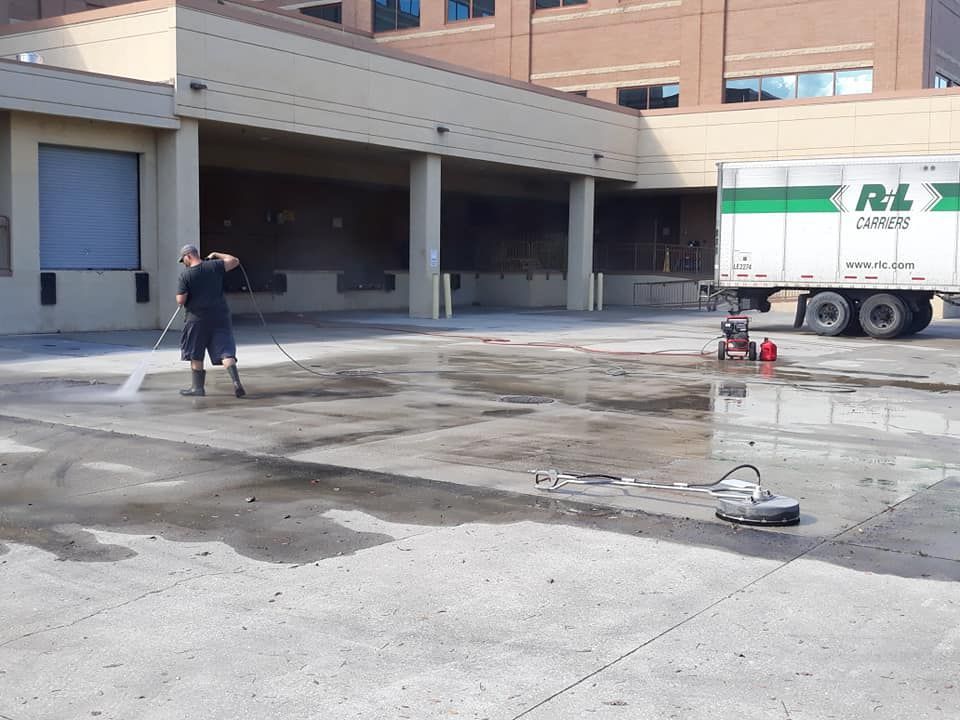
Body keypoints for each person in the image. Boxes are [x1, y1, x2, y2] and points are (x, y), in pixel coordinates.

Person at [175, 244, 246, 398]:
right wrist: (216, 254)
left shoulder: (185, 275)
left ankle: (197, 388)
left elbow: (180, 300)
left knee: (195, 352)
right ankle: (236, 383)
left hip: (197, 319)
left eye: (183, 260)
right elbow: (234, 260)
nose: (184, 263)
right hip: (220, 316)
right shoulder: (215, 266)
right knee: (226, 351)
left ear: (188, 256)